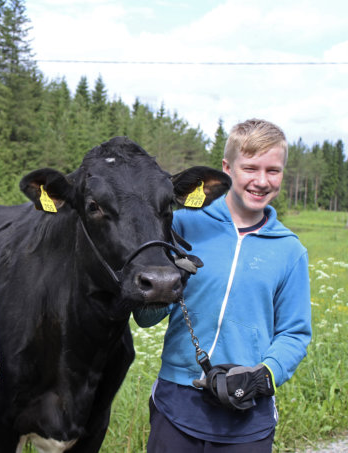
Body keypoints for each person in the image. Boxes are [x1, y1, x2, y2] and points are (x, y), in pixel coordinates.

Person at [134, 118, 312, 452]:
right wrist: (174, 280)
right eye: (250, 168)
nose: (261, 181)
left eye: (273, 170)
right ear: (226, 168)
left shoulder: (289, 250)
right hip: (176, 404)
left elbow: (295, 333)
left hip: (248, 412)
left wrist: (263, 376)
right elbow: (145, 318)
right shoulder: (182, 225)